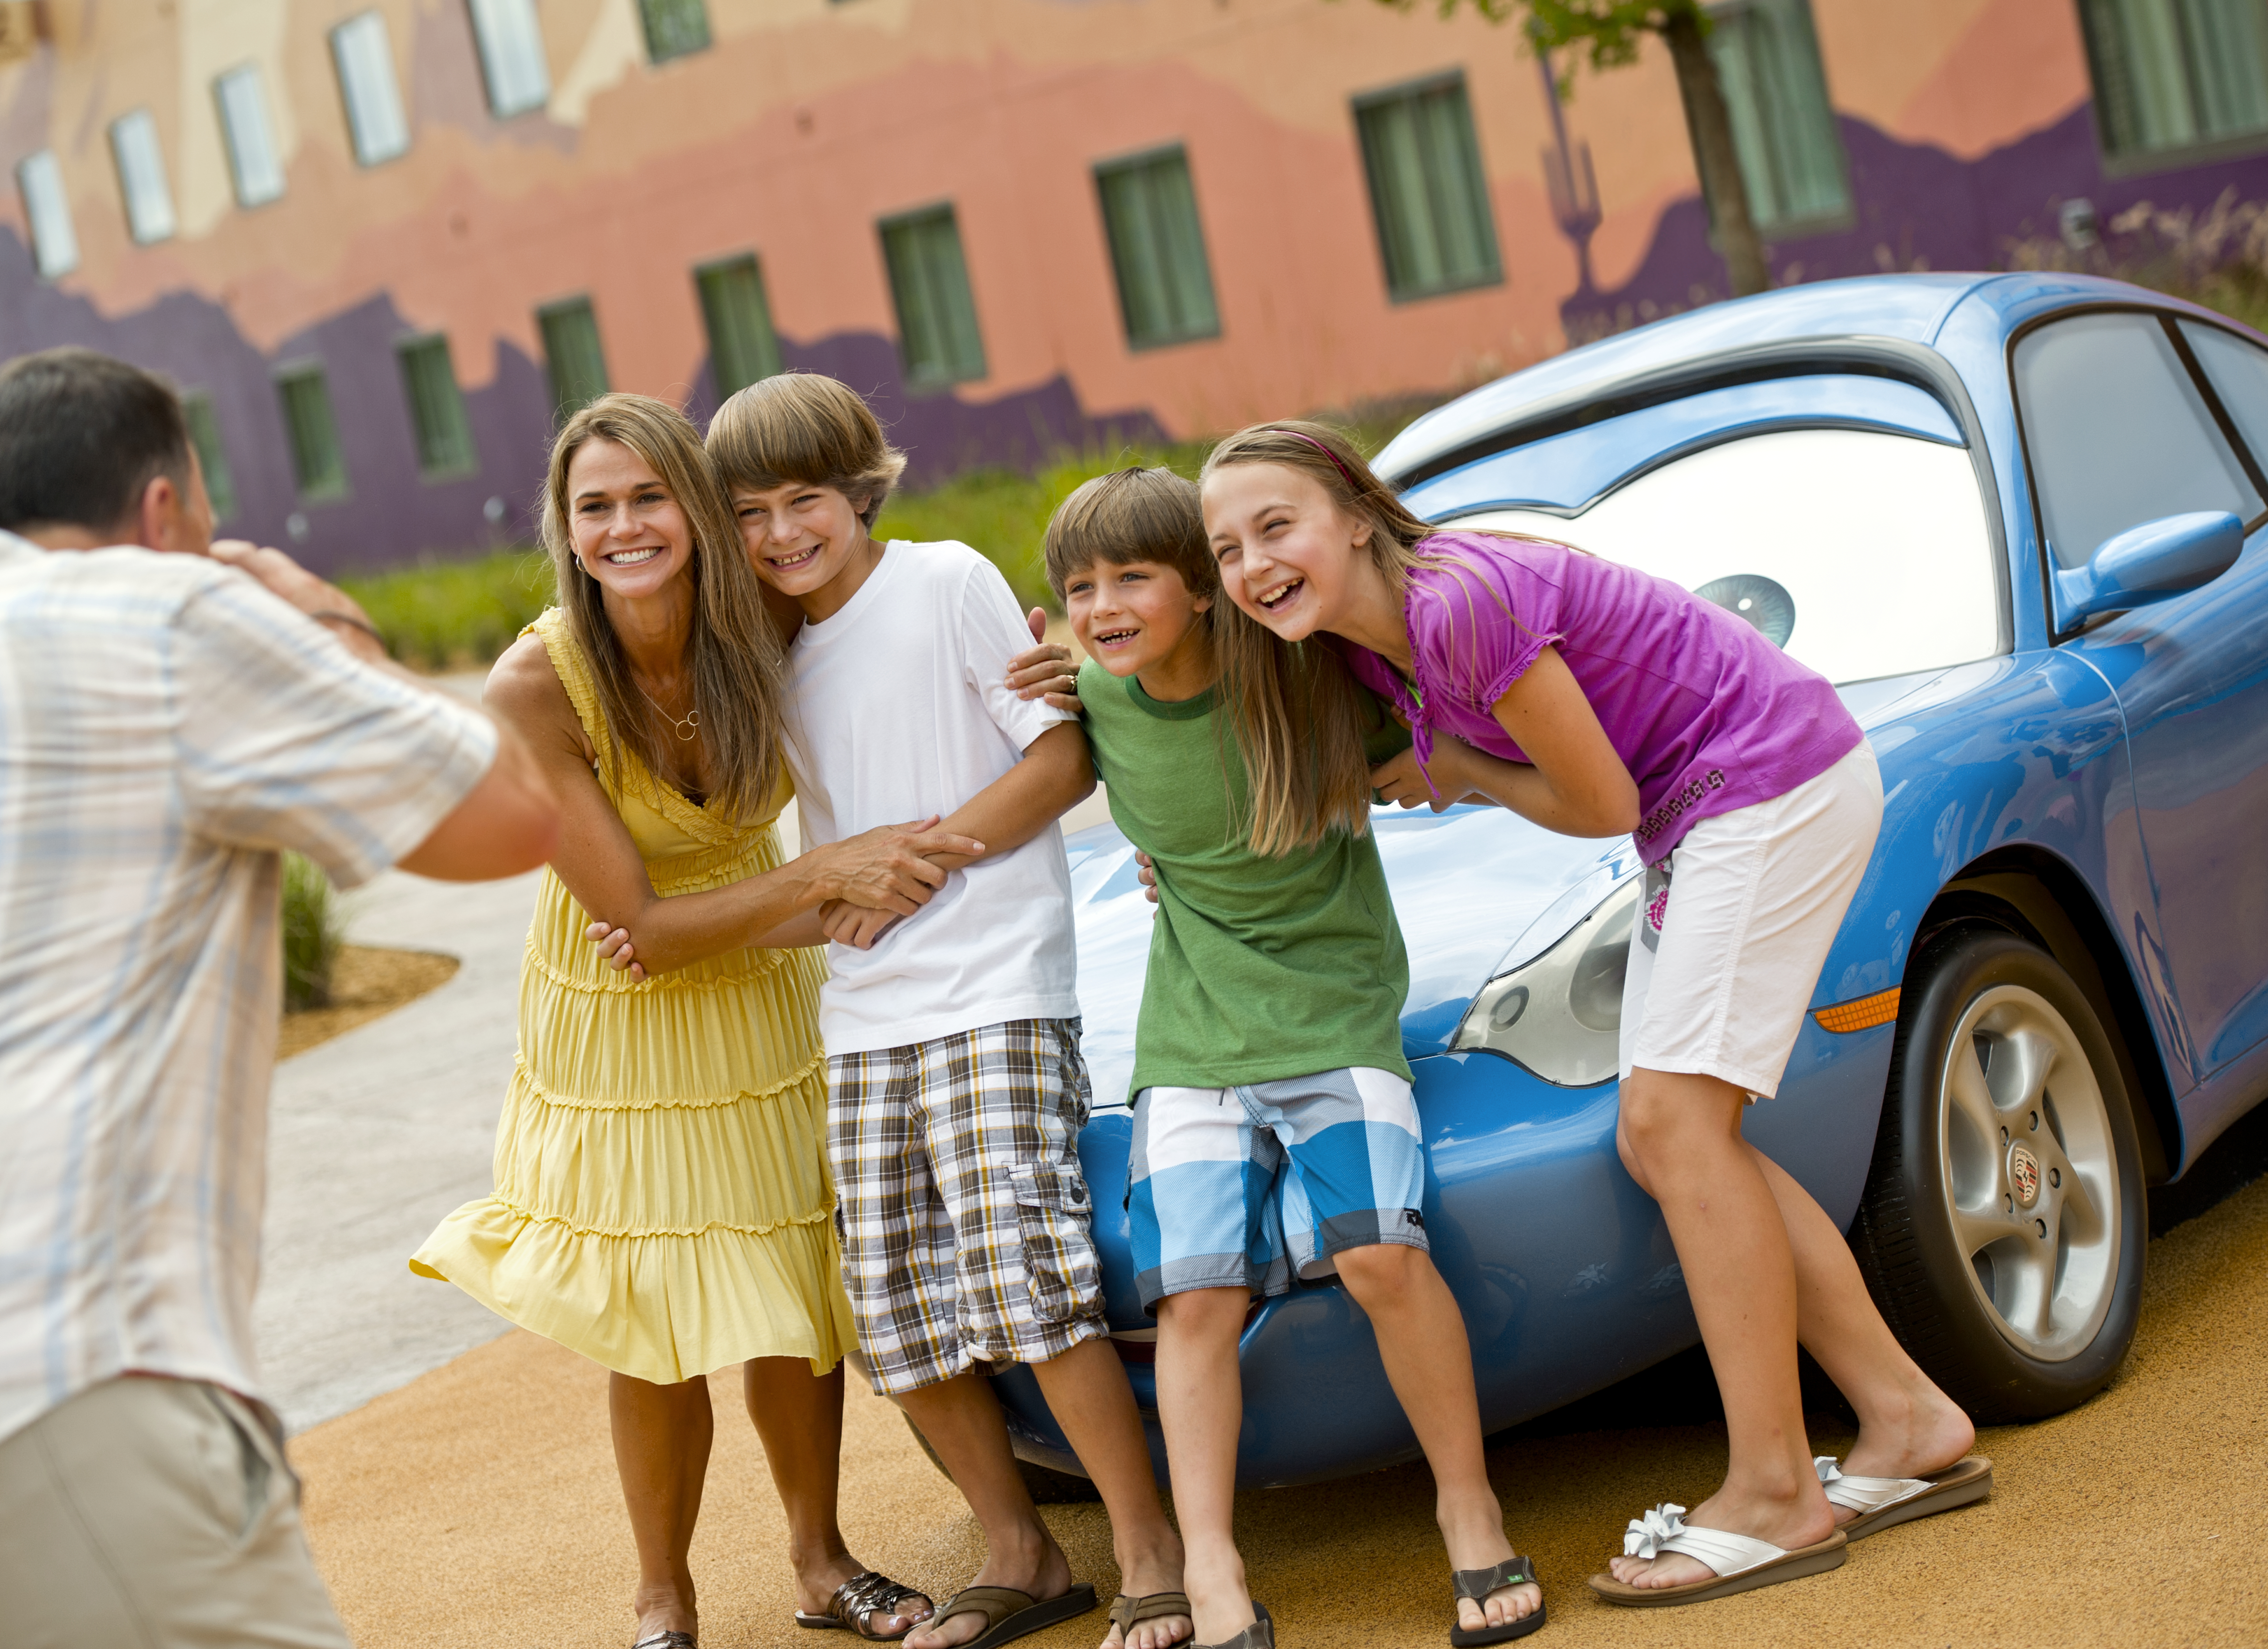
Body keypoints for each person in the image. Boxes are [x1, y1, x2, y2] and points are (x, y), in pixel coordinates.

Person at [0, 347, 559, 1649]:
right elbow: (503, 815)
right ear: (162, 517)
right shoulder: (153, 613)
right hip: (29, 1396)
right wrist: (316, 617)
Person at [1198, 421, 1988, 1609]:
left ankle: (1776, 1489)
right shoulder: (1365, 653)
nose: (1253, 566)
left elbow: (1594, 795)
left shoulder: (1455, 605)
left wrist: (1462, 774)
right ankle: (1905, 1415)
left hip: (1762, 779)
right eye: (1225, 550)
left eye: (1275, 527)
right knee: (1667, 1135)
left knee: (1674, 1131)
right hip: (1707, 810)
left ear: (1356, 513)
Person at [413, 393, 1012, 1649]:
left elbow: (908, 640)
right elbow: (636, 921)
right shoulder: (540, 682)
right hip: (621, 1011)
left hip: (763, 987)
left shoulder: (769, 620)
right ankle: (662, 1598)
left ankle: (820, 1560)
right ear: (566, 533)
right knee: (655, 1312)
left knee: (792, 1290)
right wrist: (822, 875)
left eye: (650, 498)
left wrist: (1055, 659)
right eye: (596, 507)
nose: (627, 526)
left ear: (693, 508)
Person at [706, 375, 1189, 1649]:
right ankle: (1021, 1552)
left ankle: (1149, 1548)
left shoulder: (949, 580)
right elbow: (827, 876)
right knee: (899, 1318)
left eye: (804, 498)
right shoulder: (766, 652)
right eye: (749, 512)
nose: (780, 532)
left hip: (993, 988)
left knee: (1027, 1287)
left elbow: (1059, 754)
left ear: (862, 489)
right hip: (864, 1013)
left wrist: (921, 861)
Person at [1045, 467, 1545, 1649]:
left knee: (1378, 1257)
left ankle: (1466, 1505)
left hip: (1331, 1018)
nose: (1103, 605)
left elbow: (1460, 716)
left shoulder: (1310, 676)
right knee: (1195, 1294)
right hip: (1191, 1036)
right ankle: (1209, 1560)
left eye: (1132, 578)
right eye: (1078, 587)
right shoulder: (1089, 698)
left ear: (1208, 590)